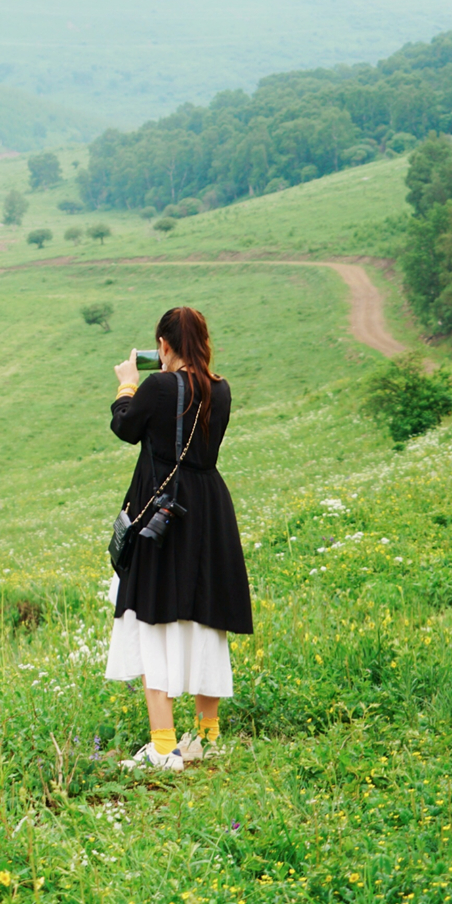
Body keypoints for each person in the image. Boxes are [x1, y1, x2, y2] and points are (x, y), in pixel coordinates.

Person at [106, 305, 252, 771]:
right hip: (209, 506)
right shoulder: (221, 389)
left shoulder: (157, 385)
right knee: (206, 616)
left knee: (153, 617)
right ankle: (206, 737)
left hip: (163, 509)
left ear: (164, 345)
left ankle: (164, 745)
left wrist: (128, 382)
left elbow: (126, 428)